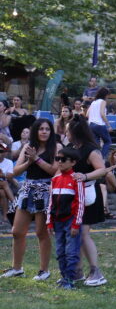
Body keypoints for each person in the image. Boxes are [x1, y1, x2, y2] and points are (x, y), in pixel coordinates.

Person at [2, 118, 61, 280]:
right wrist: (29, 161)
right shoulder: (28, 147)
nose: (44, 132)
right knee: (17, 231)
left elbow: (54, 171)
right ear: (35, 131)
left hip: (46, 190)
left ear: (51, 131)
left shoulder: (56, 147)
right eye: (41, 129)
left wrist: (37, 159)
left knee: (41, 232)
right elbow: (15, 171)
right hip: (28, 189)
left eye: (47, 129)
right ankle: (17, 268)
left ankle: (44, 270)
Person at [66, 115, 112, 286]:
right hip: (74, 195)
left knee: (83, 233)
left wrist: (84, 176)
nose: (65, 133)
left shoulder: (91, 150)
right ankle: (77, 271)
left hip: (88, 195)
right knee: (75, 233)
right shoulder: (70, 147)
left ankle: (95, 271)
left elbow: (102, 170)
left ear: (74, 132)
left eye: (68, 130)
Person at [46, 147, 84, 290]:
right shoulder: (55, 180)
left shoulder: (76, 180)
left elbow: (80, 202)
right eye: (57, 159)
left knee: (71, 251)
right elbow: (51, 202)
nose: (59, 162)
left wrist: (76, 224)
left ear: (73, 162)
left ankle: (70, 279)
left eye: (63, 159)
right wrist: (49, 222)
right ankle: (64, 277)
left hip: (70, 220)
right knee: (60, 251)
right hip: (57, 220)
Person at [87, 87, 113, 159]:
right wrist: (108, 125)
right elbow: (102, 114)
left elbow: (87, 114)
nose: (108, 97)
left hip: (91, 125)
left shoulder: (93, 102)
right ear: (105, 95)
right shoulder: (103, 101)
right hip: (99, 124)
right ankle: (101, 158)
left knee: (96, 144)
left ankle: (95, 159)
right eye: (108, 95)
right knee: (107, 142)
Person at [0, 144, 16, 221]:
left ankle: (5, 216)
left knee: (2, 193)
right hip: (4, 184)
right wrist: (3, 175)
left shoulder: (9, 162)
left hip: (3, 185)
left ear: (6, 153)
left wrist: (2, 175)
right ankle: (15, 204)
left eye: (1, 151)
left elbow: (10, 176)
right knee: (5, 184)